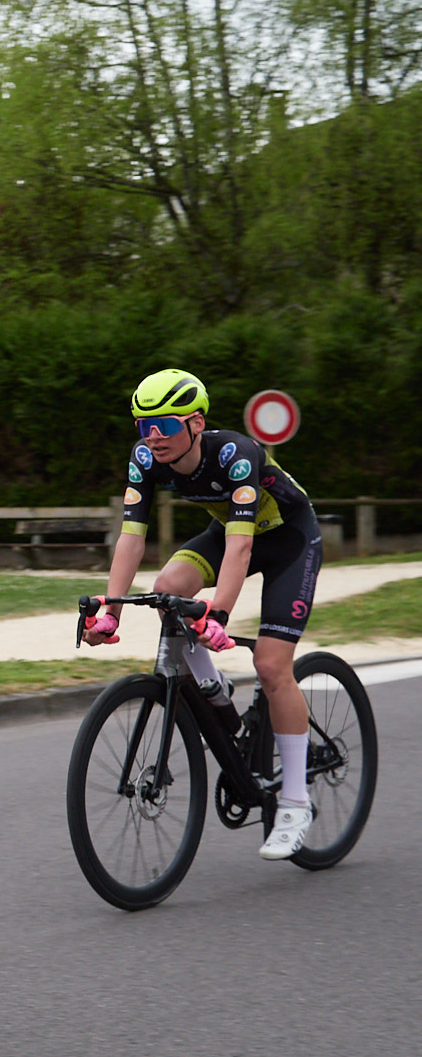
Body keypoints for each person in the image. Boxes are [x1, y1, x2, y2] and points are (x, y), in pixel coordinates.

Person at [83, 368, 324, 860]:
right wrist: (111, 610)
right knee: (167, 590)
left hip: (288, 541)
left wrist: (220, 615)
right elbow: (131, 538)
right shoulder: (145, 458)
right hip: (230, 534)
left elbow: (240, 549)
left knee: (271, 666)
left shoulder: (236, 454)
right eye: (144, 425)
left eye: (165, 424)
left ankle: (295, 803)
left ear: (196, 423)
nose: (153, 435)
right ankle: (213, 686)